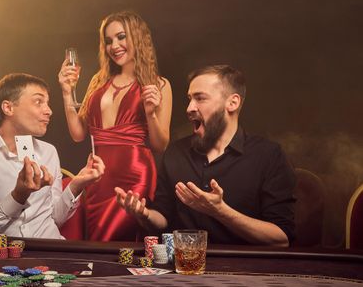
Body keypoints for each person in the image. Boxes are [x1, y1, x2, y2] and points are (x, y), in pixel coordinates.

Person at [115, 65, 296, 246]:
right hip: (183, 270)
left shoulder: (268, 155)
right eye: (189, 99)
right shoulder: (175, 153)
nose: (189, 108)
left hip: (242, 270)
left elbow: (281, 239)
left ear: (232, 103)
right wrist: (144, 214)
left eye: (200, 98)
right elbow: (163, 219)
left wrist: (220, 210)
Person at [58, 11, 172, 241]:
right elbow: (79, 134)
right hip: (97, 178)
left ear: (138, 38)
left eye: (121, 37)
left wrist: (151, 114)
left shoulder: (159, 84)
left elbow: (160, 145)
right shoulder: (98, 81)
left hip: (134, 176)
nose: (114, 46)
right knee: (98, 243)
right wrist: (66, 92)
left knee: (119, 242)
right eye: (108, 41)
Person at [0, 73, 105, 239]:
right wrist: (18, 195)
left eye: (47, 103)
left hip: (53, 253)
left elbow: (55, 219)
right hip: (5, 259)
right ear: (8, 108)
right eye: (38, 102)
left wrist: (76, 185)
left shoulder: (48, 151)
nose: (49, 111)